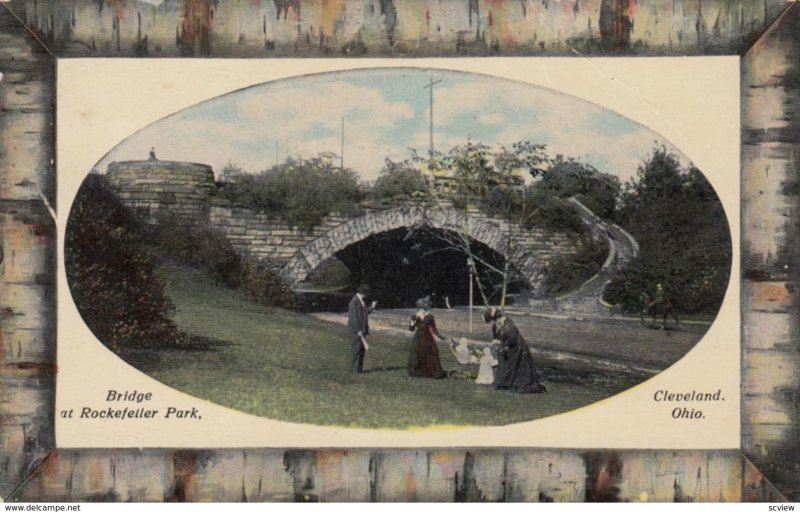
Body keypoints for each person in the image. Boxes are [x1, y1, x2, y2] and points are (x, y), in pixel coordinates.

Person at [483, 307, 546, 393]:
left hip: (517, 349)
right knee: (503, 365)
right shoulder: (497, 325)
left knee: (513, 368)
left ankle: (508, 384)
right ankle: (503, 384)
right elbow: (497, 336)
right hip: (508, 349)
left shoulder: (508, 325)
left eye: (492, 322)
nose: (492, 324)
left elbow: (512, 339)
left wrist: (500, 342)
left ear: (496, 319)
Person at [408, 308, 445, 379]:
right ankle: (418, 372)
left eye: (423, 309)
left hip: (428, 338)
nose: (422, 310)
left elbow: (434, 328)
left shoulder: (430, 316)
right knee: (418, 354)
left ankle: (431, 372)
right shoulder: (414, 316)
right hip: (418, 338)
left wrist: (441, 337)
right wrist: (412, 323)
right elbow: (411, 329)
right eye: (420, 308)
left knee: (429, 354)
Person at [347, 285, 375, 374]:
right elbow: (354, 318)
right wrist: (358, 330)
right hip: (357, 331)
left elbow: (363, 313)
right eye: (366, 293)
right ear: (363, 293)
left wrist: (372, 308)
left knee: (361, 350)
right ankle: (355, 370)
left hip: (361, 330)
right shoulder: (354, 302)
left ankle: (359, 369)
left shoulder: (359, 301)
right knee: (357, 350)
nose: (366, 295)